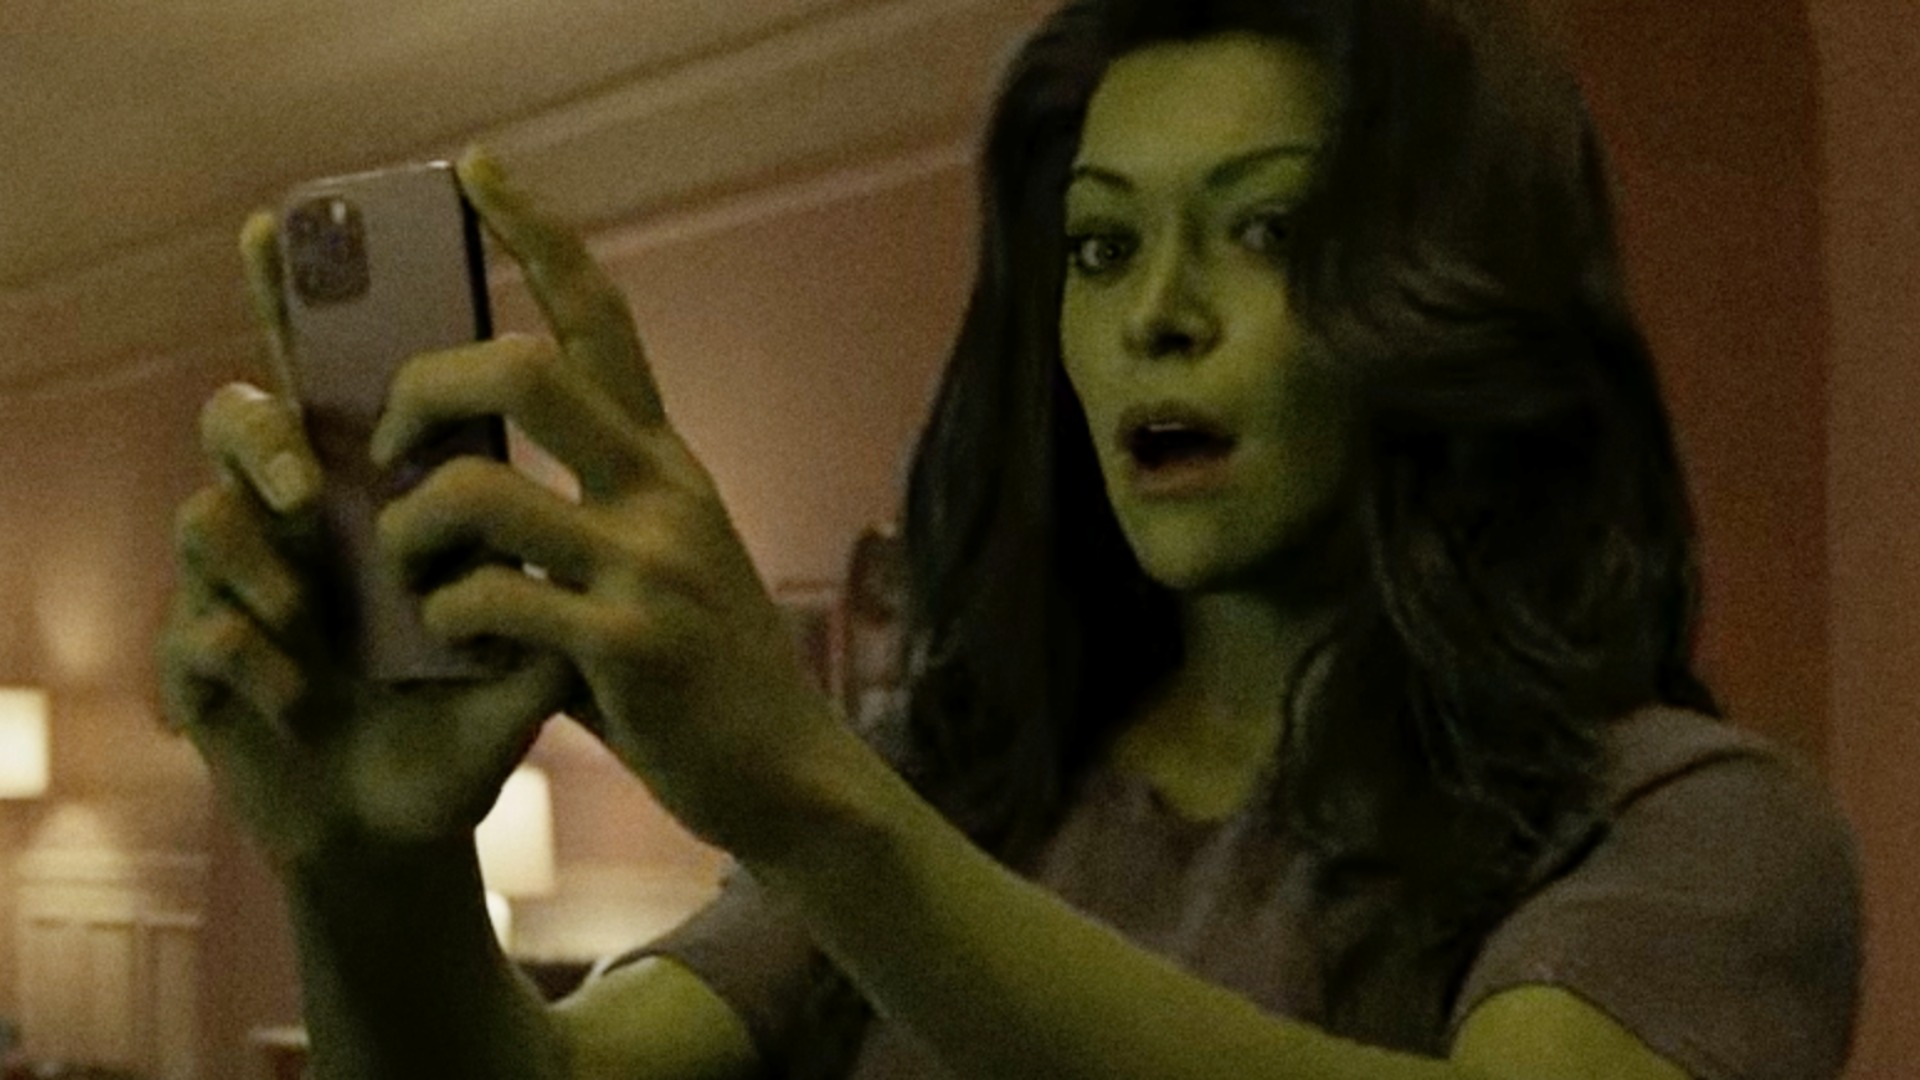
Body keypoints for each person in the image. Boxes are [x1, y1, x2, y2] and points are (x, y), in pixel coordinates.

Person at [157, 0, 1864, 1077]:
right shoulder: (961, 784)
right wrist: (370, 866)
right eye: (1102, 248)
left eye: (1265, 230)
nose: (1157, 315)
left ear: (1452, 296)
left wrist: (812, 798)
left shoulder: (1692, 829)